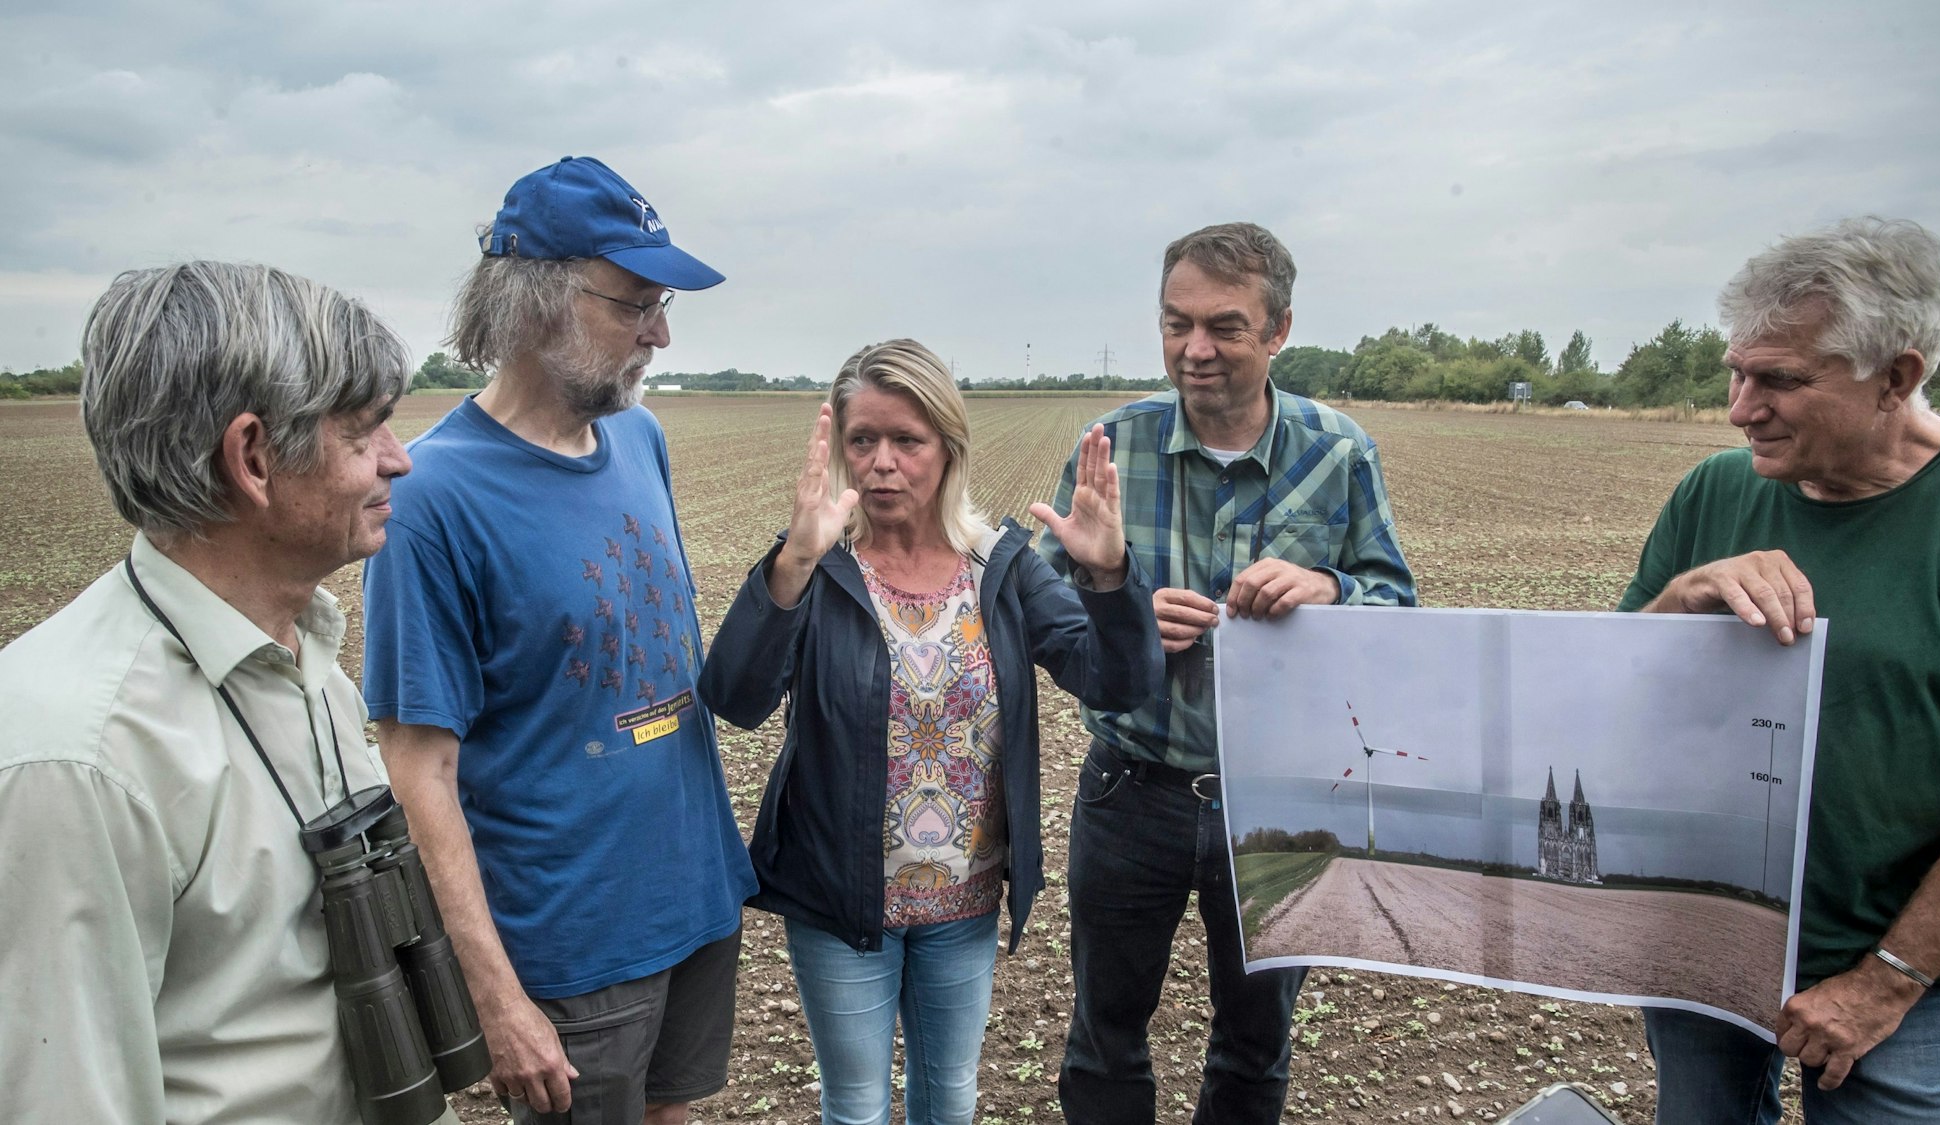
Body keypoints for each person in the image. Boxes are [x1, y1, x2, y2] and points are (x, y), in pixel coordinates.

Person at [0, 262, 445, 1122]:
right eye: (364, 434)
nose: (399, 460)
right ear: (252, 458)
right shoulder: (76, 758)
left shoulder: (303, 650)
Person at [363, 156, 756, 1125]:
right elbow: (420, 775)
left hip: (692, 901)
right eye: (635, 305)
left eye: (663, 305)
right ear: (534, 303)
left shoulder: (640, 440)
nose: (659, 334)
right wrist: (495, 997)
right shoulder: (431, 500)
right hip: (570, 948)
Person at [697, 339, 1162, 1125]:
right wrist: (791, 562)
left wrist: (1111, 581)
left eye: (907, 441)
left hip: (965, 900)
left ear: (947, 449)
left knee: (948, 1103)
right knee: (855, 1108)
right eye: (863, 440)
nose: (883, 462)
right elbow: (736, 698)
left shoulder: (1000, 567)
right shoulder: (820, 567)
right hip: (839, 903)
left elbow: (1116, 683)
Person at [1619, 216, 1940, 1124]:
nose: (1742, 407)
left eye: (1780, 380)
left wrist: (1886, 982)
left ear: (1897, 377)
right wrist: (1682, 598)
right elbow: (1615, 697)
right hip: (1703, 942)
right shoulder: (1714, 490)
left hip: (1898, 980)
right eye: (1737, 372)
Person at [1040, 222, 1418, 1124]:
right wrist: (1115, 599)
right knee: (1103, 1034)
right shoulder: (1112, 447)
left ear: (1279, 329)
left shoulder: (1338, 453)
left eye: (1223, 327)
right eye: (1176, 324)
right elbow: (1041, 611)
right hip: (1132, 791)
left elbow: (1397, 603)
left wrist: (1328, 590)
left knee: (1254, 1047)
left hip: (1281, 800)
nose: (1194, 350)